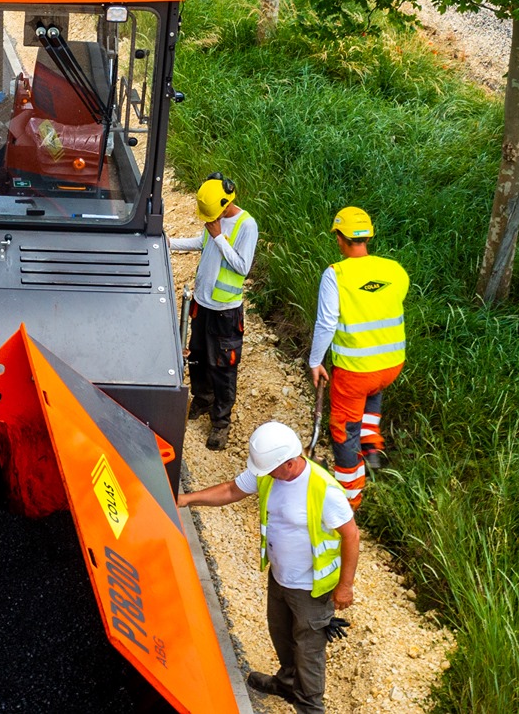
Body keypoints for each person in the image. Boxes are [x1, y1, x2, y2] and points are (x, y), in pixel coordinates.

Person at [178, 421, 358, 714]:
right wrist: (187, 499)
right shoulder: (269, 473)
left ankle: (310, 706)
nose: (264, 475)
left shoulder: (323, 490)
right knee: (281, 634)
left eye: (270, 470)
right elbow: (230, 490)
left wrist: (345, 586)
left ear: (289, 463)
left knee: (308, 651)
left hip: (311, 588)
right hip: (280, 578)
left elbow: (351, 534)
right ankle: (287, 682)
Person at [308, 206, 409, 508]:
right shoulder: (394, 269)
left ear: (340, 238)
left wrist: (315, 361)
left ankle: (348, 500)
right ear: (367, 237)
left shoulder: (335, 274)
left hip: (355, 372)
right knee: (372, 394)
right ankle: (372, 447)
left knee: (343, 430)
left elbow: (326, 323)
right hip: (391, 365)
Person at [169, 173, 258, 449]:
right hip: (203, 305)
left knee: (223, 366)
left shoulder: (246, 225)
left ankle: (220, 422)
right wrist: (169, 242)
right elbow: (201, 243)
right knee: (197, 357)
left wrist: (219, 237)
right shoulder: (213, 222)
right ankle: (203, 399)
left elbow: (242, 267)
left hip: (225, 312)